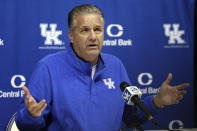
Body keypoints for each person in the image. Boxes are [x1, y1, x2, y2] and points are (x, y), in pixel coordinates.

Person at [15, 4, 189, 131]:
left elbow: (130, 116)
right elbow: (25, 125)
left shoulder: (115, 65)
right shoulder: (48, 67)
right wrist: (32, 115)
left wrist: (157, 101)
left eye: (97, 30)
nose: (93, 37)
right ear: (71, 36)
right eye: (85, 30)